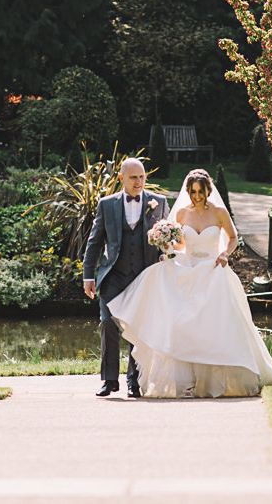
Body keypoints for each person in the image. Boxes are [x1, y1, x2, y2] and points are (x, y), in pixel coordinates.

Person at [106, 168, 272, 397]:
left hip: (213, 270)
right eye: (193, 192)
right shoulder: (182, 214)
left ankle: (215, 382)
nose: (197, 196)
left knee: (215, 325)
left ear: (208, 190)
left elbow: (232, 238)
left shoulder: (220, 212)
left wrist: (224, 254)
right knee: (181, 322)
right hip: (188, 270)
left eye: (201, 191)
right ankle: (186, 381)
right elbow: (181, 245)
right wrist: (168, 247)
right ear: (188, 191)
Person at [82, 158, 170, 397]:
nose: (139, 182)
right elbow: (94, 241)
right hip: (113, 275)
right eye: (133, 177)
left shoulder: (159, 202)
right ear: (121, 178)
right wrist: (88, 276)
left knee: (138, 328)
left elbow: (169, 241)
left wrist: (167, 258)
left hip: (144, 276)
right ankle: (109, 380)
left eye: (142, 177)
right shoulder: (106, 204)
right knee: (108, 322)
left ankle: (134, 381)